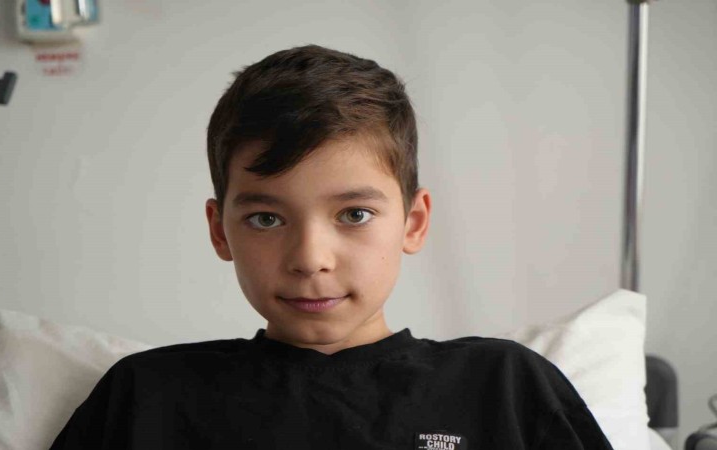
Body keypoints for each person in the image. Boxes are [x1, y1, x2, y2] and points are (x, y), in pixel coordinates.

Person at [49, 44, 614, 450]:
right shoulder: (148, 396)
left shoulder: (505, 387)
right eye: (267, 218)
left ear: (413, 223)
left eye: (354, 215)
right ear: (220, 231)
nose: (310, 258)